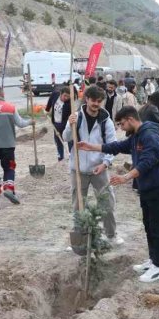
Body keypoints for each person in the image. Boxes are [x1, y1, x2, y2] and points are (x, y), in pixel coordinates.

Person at [78, 106, 159, 283]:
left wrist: (126, 177)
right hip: (146, 188)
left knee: (158, 227)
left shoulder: (149, 135)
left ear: (130, 119)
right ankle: (153, 260)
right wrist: (91, 147)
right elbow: (118, 146)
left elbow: (149, 160)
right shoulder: (136, 135)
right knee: (149, 225)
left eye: (121, 124)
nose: (120, 128)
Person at [63, 85, 124, 246]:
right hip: (78, 170)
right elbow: (65, 137)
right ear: (87, 99)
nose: (96, 104)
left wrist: (105, 164)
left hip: (99, 170)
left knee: (107, 204)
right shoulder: (76, 117)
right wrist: (70, 124)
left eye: (99, 101)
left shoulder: (106, 121)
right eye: (93, 100)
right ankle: (80, 238)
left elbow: (113, 145)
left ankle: (111, 235)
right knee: (78, 205)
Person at [45, 87, 72, 161]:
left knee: (69, 139)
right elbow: (50, 101)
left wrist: (64, 127)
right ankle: (60, 157)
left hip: (65, 124)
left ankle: (71, 156)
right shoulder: (55, 95)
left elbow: (70, 116)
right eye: (65, 95)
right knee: (58, 141)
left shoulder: (69, 104)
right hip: (55, 123)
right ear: (61, 93)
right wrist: (47, 110)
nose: (66, 98)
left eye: (68, 97)